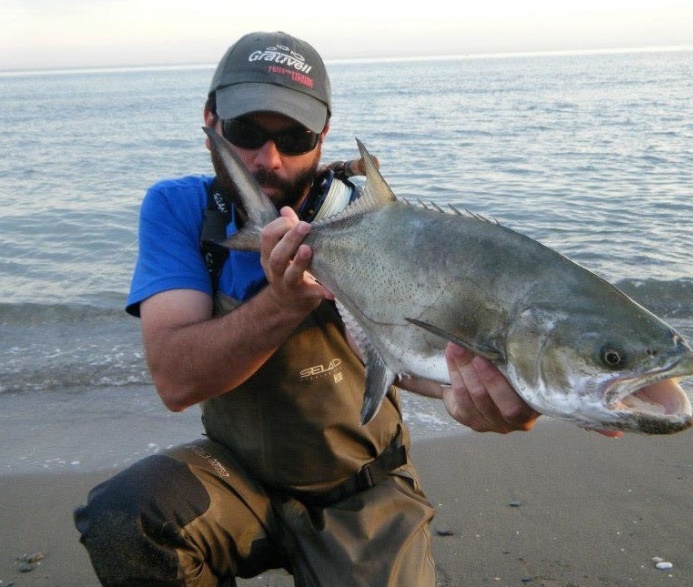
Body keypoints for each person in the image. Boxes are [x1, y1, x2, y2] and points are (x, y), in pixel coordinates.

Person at [74, 31, 540, 587]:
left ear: (322, 137)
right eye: (246, 132)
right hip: (236, 478)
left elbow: (410, 351)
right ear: (210, 121)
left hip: (363, 490)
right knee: (127, 518)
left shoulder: (366, 222)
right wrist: (286, 299)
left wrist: (473, 392)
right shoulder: (180, 210)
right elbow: (176, 379)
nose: (268, 159)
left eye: (293, 137)